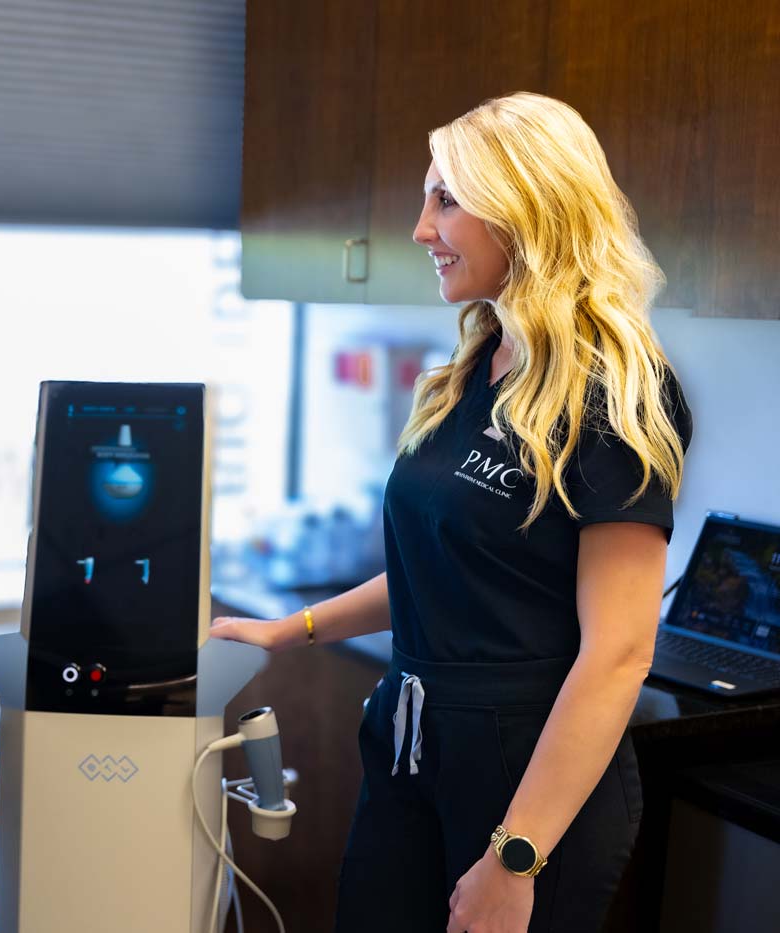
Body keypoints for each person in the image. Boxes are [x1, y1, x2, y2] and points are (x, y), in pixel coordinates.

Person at [211, 92, 691, 933]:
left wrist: (516, 856)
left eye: (447, 200)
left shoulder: (617, 393)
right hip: (412, 741)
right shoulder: (478, 365)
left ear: (530, 208)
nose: (420, 228)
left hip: (524, 769)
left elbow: (619, 654)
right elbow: (439, 567)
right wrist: (292, 630)